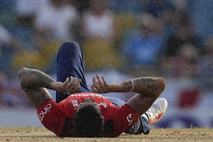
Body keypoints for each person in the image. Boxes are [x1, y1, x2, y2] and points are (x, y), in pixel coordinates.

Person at [18, 41, 167, 137]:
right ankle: (146, 117)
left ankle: (139, 118)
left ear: (74, 116)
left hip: (70, 93)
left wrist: (55, 86)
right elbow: (159, 84)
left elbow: (24, 76)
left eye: (83, 103)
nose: (89, 97)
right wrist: (117, 87)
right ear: (102, 117)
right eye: (94, 103)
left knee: (70, 47)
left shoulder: (57, 119)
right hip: (113, 106)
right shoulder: (115, 120)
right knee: (132, 123)